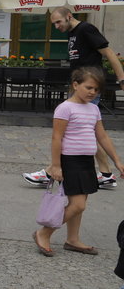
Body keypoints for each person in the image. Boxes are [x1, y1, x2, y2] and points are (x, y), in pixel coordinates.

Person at [23, 7, 124, 188]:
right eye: (53, 23)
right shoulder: (72, 33)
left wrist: (122, 78)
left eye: (58, 22)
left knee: (74, 129)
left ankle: (49, 172)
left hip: (89, 87)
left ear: (69, 16)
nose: (56, 26)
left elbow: (108, 53)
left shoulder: (86, 29)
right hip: (79, 87)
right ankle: (106, 173)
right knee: (88, 130)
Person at [32, 67, 124, 257]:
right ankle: (44, 233)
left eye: (96, 90)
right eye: (89, 87)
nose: (92, 92)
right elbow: (56, 138)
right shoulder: (65, 108)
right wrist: (56, 165)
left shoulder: (93, 109)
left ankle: (73, 239)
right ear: (75, 85)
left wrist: (116, 160)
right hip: (70, 161)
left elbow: (102, 136)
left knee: (80, 202)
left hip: (86, 162)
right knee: (78, 205)